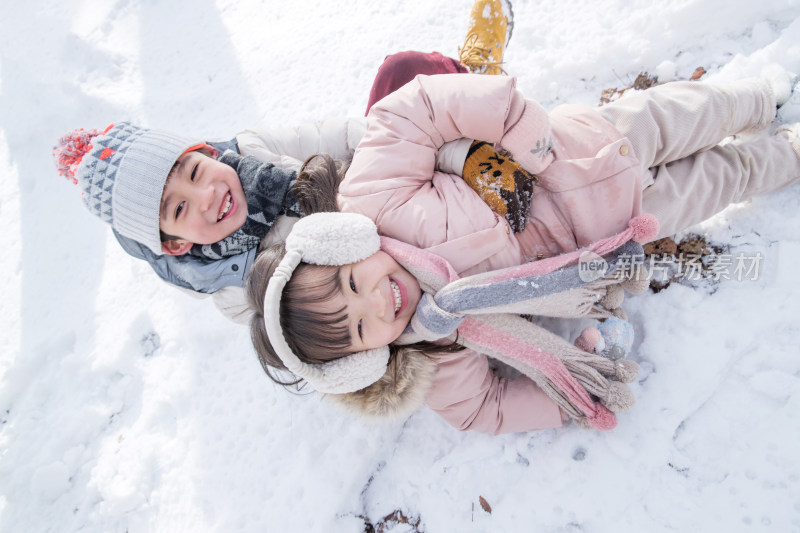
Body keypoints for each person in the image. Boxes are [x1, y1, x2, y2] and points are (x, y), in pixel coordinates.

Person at [247, 69, 800, 434]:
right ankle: (789, 154)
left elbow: (412, 110)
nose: (377, 301)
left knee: (693, 110)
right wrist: (568, 391)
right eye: (363, 329)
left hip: (579, 146)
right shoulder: (437, 344)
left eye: (349, 284)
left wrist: (519, 130)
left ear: (339, 243)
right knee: (723, 180)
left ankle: (758, 98)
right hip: (616, 229)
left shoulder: (374, 196)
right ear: (369, 358)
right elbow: (485, 410)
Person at [50, 0, 514, 324]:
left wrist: (434, 149)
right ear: (174, 244)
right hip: (395, 259)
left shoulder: (248, 150)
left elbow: (341, 134)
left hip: (379, 183)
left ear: (204, 152)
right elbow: (323, 327)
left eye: (193, 172)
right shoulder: (238, 288)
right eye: (178, 210)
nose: (207, 196)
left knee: (402, 75)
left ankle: (474, 80)